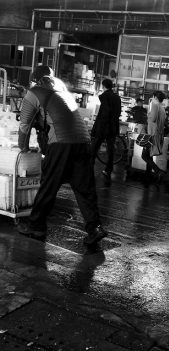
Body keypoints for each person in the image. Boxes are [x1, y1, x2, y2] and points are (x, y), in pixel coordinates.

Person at [16, 65, 107, 245]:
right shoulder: (63, 92)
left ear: (35, 80)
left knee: (48, 184)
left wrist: (23, 146)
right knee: (84, 189)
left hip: (62, 143)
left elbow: (24, 124)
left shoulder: (34, 92)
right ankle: (95, 228)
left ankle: (36, 227)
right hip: (83, 142)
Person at [90, 78, 122, 177]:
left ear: (103, 86)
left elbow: (104, 114)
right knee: (110, 149)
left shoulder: (105, 97)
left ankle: (89, 166)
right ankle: (108, 169)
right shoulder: (117, 97)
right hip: (113, 127)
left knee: (94, 148)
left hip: (103, 127)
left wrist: (98, 128)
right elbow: (118, 112)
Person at [141, 91, 167, 182]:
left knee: (144, 156)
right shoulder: (163, 108)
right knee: (149, 156)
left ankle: (158, 171)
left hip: (151, 135)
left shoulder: (156, 107)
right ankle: (148, 175)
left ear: (155, 97)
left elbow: (152, 119)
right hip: (157, 134)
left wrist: (149, 112)